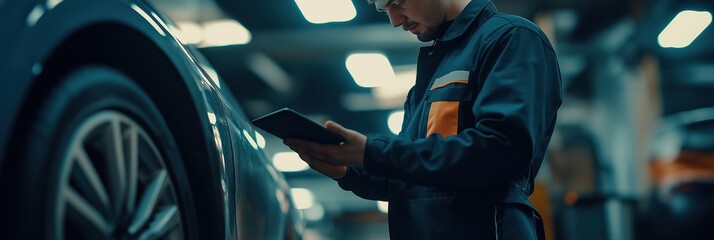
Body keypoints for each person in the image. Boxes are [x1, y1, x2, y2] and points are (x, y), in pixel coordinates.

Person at [284, 0, 562, 238]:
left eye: (398, 2)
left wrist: (374, 152)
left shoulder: (511, 38)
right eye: (384, 9)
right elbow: (418, 176)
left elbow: (500, 151)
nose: (394, 20)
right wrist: (349, 171)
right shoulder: (431, 78)